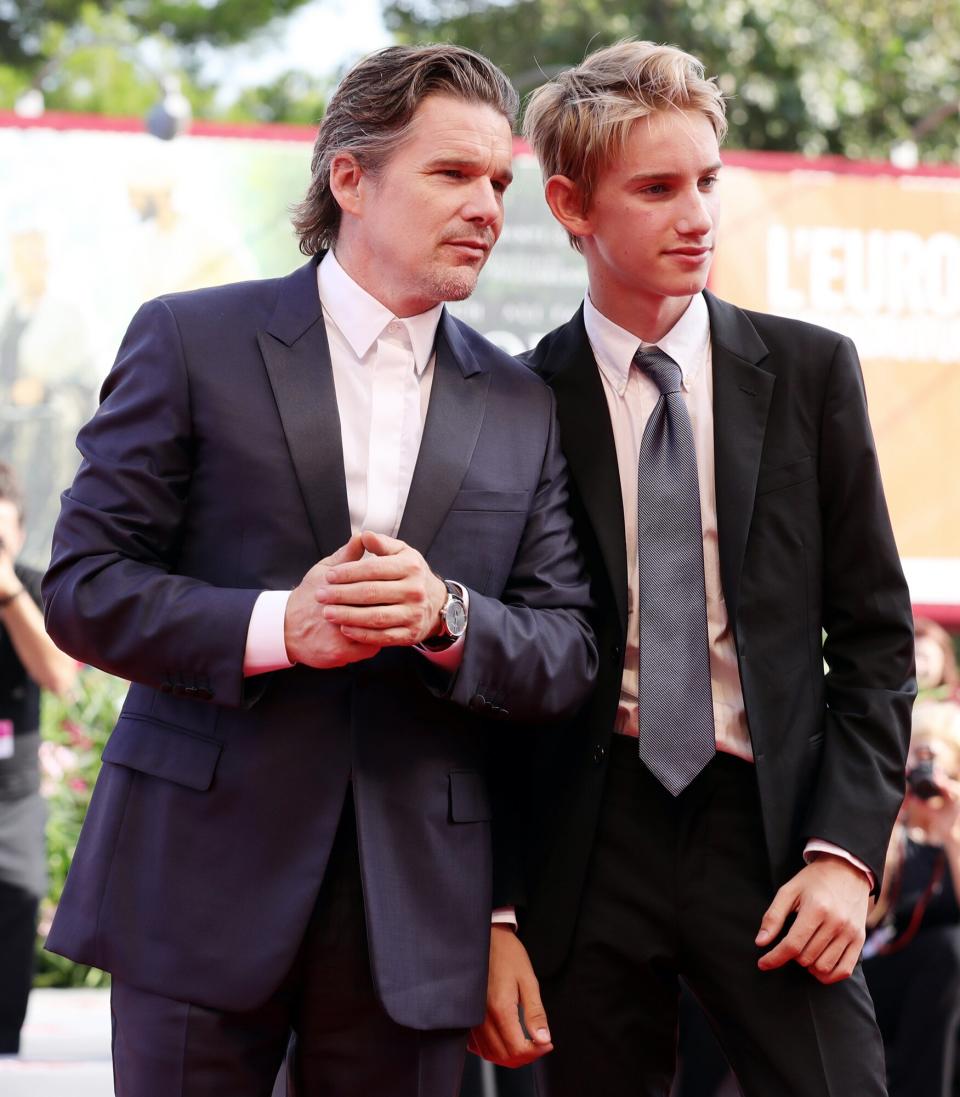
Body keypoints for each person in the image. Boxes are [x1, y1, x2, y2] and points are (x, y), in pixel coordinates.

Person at [40, 45, 597, 1097]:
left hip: (418, 916)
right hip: (196, 881)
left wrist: (449, 615)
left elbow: (567, 648)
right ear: (350, 177)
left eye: (499, 182)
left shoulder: (523, 403)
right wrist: (275, 626)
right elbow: (83, 583)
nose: (487, 205)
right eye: (453, 174)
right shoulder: (189, 338)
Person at [470, 40, 916, 1097]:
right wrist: (492, 911)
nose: (698, 214)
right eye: (659, 188)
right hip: (585, 836)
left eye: (709, 180)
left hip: (769, 824)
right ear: (573, 205)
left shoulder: (812, 374)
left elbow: (873, 640)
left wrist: (846, 853)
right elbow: (486, 680)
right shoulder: (514, 399)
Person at [0, 463, 76, 1054]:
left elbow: (60, 677)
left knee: (19, 895)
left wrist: (7, 592)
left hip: (12, 786)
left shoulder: (28, 586)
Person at [864, 700, 960, 1097]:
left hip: (948, 987)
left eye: (935, 762)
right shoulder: (892, 828)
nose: (925, 774)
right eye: (917, 758)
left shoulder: (955, 834)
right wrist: (893, 812)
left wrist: (951, 830)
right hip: (884, 973)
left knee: (952, 948)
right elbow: (871, 913)